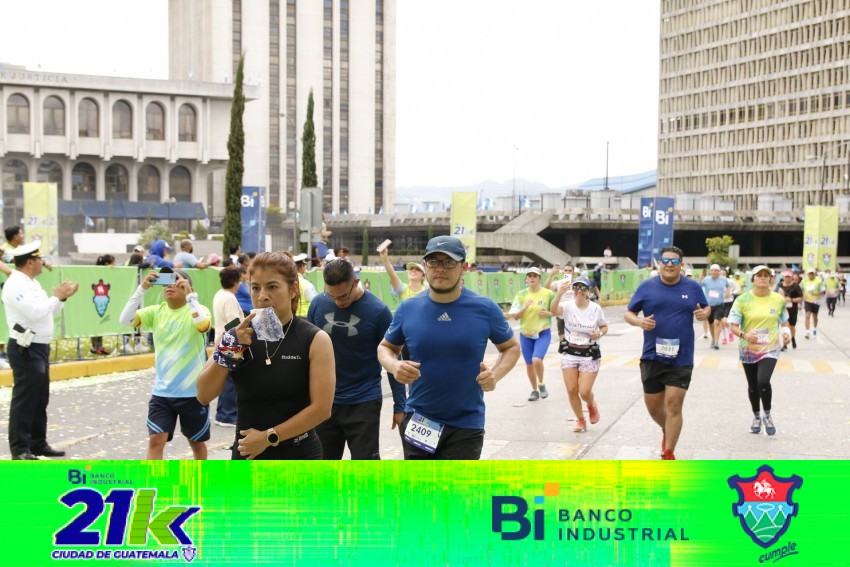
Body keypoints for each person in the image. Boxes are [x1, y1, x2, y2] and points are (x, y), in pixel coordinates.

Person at [377, 235, 520, 460]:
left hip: (466, 423)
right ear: (425, 266)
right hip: (420, 419)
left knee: (455, 485)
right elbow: (385, 348)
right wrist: (394, 366)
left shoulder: (485, 308)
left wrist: (495, 374)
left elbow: (511, 347)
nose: (440, 268)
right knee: (419, 484)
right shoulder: (408, 308)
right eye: (433, 261)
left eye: (449, 262)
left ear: (464, 267)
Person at [197, 252, 335, 460]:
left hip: (299, 456)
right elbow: (203, 395)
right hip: (246, 455)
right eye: (255, 288)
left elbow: (322, 409)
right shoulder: (237, 334)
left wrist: (269, 437)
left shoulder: (314, 339)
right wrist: (230, 349)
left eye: (272, 286)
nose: (262, 296)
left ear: (293, 290)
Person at [306, 259, 406, 459]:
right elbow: (307, 351)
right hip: (324, 401)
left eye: (343, 296)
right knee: (322, 465)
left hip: (364, 400)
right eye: (332, 296)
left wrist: (400, 405)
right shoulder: (318, 303)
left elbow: (393, 356)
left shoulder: (378, 311)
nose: (338, 302)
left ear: (356, 282)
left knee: (365, 467)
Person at [625, 245, 709, 460]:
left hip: (681, 357)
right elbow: (629, 313)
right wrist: (639, 322)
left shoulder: (692, 287)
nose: (670, 265)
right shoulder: (647, 287)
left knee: (673, 403)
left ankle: (668, 452)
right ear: (659, 264)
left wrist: (704, 313)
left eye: (674, 261)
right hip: (652, 356)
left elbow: (706, 307)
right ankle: (667, 429)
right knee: (654, 408)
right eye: (666, 261)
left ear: (681, 265)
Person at [119, 267, 212, 459]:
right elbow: (125, 320)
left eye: (176, 281)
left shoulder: (199, 310)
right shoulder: (156, 312)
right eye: (167, 281)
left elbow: (203, 326)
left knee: (196, 442)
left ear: (187, 287)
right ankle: (155, 478)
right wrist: (142, 289)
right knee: (156, 440)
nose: (170, 286)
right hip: (162, 394)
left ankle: (202, 478)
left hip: (193, 394)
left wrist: (191, 296)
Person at [2, 241, 78, 459]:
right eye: (39, 260)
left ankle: (37, 443)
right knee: (25, 399)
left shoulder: (32, 283)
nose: (42, 263)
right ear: (29, 262)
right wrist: (56, 297)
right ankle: (20, 448)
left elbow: (47, 310)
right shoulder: (15, 284)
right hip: (25, 347)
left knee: (39, 398)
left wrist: (62, 297)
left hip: (39, 346)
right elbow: (35, 312)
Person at [728, 266, 791, 436]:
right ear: (753, 279)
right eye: (759, 275)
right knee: (753, 385)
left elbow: (784, 320)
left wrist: (786, 333)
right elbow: (733, 326)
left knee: (763, 381)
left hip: (770, 348)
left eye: (766, 275)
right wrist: (745, 335)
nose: (763, 278)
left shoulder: (778, 299)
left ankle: (767, 415)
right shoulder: (742, 300)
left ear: (771, 279)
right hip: (748, 348)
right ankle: (756, 416)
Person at [552, 276, 608, 432]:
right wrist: (558, 294)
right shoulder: (567, 306)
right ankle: (581, 420)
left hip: (589, 353)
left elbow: (604, 327)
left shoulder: (595, 308)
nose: (579, 291)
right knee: (571, 389)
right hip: (569, 352)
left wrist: (599, 334)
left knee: (584, 391)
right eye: (576, 287)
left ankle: (591, 404)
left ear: (588, 291)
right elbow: (553, 310)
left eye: (583, 288)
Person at [508, 266, 555, 402]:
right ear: (526, 279)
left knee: (536, 360)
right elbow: (515, 317)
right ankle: (534, 390)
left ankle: (541, 384)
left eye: (535, 276)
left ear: (540, 279)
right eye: (530, 276)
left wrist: (549, 313)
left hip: (542, 333)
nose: (532, 278)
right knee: (529, 364)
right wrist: (524, 307)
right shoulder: (521, 294)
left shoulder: (548, 294)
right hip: (526, 335)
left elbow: (556, 311)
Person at [211, 266, 244, 427]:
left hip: (221, 339)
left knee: (225, 378)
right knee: (231, 380)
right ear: (234, 281)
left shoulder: (219, 294)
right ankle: (228, 415)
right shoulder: (230, 298)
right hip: (231, 341)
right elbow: (233, 323)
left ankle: (222, 414)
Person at [89, 254, 116, 355]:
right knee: (95, 323)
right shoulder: (96, 272)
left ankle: (99, 346)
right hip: (97, 299)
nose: (115, 265)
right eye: (113, 263)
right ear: (107, 264)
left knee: (100, 324)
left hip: (103, 300)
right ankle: (94, 347)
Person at [700, 264, 730, 350]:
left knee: (717, 322)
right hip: (709, 306)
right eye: (712, 270)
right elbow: (698, 286)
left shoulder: (723, 279)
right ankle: (713, 339)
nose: (714, 272)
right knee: (711, 324)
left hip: (719, 304)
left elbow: (728, 286)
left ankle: (716, 342)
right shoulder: (706, 280)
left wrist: (727, 292)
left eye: (716, 270)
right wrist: (701, 278)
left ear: (719, 272)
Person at [544, 263, 575, 343]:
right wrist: (551, 275)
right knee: (562, 337)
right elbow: (547, 289)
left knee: (574, 337)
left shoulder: (577, 283)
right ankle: (563, 349)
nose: (568, 272)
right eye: (566, 270)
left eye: (570, 271)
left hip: (574, 314)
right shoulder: (558, 283)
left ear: (573, 273)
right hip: (561, 313)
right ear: (563, 272)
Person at [777, 270, 803, 350]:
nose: (787, 278)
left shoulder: (796, 286)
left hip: (793, 309)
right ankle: (785, 343)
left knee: (792, 326)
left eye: (789, 277)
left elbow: (801, 298)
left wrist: (791, 300)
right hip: (783, 309)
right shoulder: (779, 286)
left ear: (791, 277)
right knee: (784, 326)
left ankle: (793, 338)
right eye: (786, 277)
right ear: (783, 277)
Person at [801, 268, 824, 339]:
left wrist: (816, 294)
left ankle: (814, 329)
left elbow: (823, 292)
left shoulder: (819, 281)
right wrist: (802, 296)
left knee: (815, 317)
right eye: (809, 273)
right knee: (807, 316)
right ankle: (807, 332)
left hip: (816, 301)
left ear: (814, 274)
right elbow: (800, 289)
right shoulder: (804, 280)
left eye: (812, 273)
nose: (810, 275)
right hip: (807, 300)